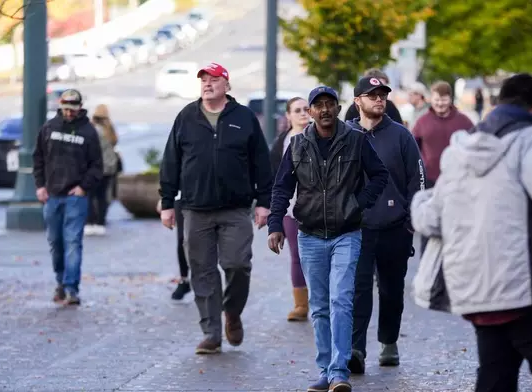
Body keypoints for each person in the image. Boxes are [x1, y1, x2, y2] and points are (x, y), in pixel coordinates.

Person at [411, 73, 532, 392]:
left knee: (496, 377)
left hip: (481, 293)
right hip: (531, 289)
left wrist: (423, 198)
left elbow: (430, 219)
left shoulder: (462, 149)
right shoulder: (530, 139)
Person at [268, 86, 389, 392]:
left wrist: (358, 204)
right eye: (318, 105)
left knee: (341, 300)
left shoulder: (356, 140)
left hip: (346, 233)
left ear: (337, 109)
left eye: (329, 104)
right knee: (320, 306)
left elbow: (379, 175)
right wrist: (275, 224)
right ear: (309, 112)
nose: (324, 109)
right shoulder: (297, 145)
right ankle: (325, 369)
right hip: (309, 234)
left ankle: (339, 372)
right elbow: (281, 188)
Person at [158, 62, 273, 354]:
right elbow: (171, 161)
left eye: (214, 79)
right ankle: (211, 332)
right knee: (202, 271)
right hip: (195, 209)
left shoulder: (244, 118)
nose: (207, 84)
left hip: (235, 209)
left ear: (227, 85)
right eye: (204, 80)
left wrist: (264, 203)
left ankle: (231, 312)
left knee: (237, 265)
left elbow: (261, 162)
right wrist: (167, 203)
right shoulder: (186, 116)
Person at [345, 77, 423, 373]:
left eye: (383, 95)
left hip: (394, 227)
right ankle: (356, 349)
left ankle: (389, 342)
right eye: (372, 95)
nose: (379, 99)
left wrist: (411, 218)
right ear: (357, 102)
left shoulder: (402, 136)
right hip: (356, 228)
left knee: (391, 291)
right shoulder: (346, 134)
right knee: (358, 290)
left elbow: (417, 179)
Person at [33, 89, 103, 306]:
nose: (69, 113)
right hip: (52, 195)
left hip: (76, 197)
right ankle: (61, 283)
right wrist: (40, 186)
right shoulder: (49, 127)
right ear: (60, 107)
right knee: (56, 243)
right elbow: (38, 158)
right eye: (66, 109)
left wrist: (83, 187)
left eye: (73, 109)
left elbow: (97, 166)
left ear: (80, 108)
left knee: (72, 242)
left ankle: (71, 288)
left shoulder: (88, 132)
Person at [412, 81, 474, 254]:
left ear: (450, 99)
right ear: (431, 99)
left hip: (458, 182)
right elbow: (412, 149)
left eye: (444, 100)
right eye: (437, 100)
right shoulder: (422, 122)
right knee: (429, 225)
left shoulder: (464, 122)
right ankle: (427, 264)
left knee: (457, 226)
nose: (440, 104)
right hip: (430, 181)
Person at [269, 96, 311, 322]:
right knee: (297, 256)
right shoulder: (282, 143)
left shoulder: (324, 136)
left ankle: (325, 299)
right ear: (289, 115)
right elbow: (275, 179)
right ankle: (301, 304)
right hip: (291, 209)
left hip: (320, 208)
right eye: (298, 110)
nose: (303, 113)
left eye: (306, 109)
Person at [85, 104, 118, 236]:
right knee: (103, 196)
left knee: (90, 196)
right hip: (109, 167)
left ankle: (90, 222)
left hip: (94, 167)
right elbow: (115, 143)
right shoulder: (109, 129)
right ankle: (100, 222)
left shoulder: (91, 128)